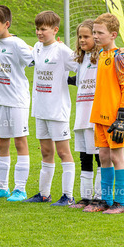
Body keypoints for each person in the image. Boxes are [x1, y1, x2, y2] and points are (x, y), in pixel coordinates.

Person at [23, 11, 78, 206]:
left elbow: (83, 66)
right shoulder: (38, 47)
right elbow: (27, 54)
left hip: (57, 110)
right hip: (40, 109)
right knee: (46, 151)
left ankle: (68, 196)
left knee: (63, 152)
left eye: (43, 29)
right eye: (37, 29)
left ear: (55, 30)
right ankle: (44, 194)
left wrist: (73, 80)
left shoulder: (62, 50)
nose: (39, 32)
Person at [0, 5, 34, 202]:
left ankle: (20, 189)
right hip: (0, 101)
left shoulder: (17, 44)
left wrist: (38, 48)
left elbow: (35, 61)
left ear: (7, 24)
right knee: (1, 142)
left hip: (17, 100)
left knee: (20, 142)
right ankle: (2, 187)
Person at [83, 13, 124, 214]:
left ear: (113, 34)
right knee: (103, 156)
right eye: (94, 32)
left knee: (116, 157)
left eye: (99, 33)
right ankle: (106, 200)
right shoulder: (101, 54)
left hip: (114, 117)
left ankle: (120, 203)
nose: (95, 36)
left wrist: (122, 116)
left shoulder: (119, 56)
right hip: (99, 115)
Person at [67, 19, 102, 209]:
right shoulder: (81, 59)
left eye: (86, 36)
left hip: (96, 116)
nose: (82, 40)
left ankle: (100, 197)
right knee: (84, 156)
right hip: (81, 116)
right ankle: (86, 197)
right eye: (80, 36)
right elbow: (80, 81)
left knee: (100, 157)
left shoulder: (102, 57)